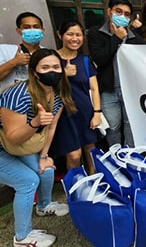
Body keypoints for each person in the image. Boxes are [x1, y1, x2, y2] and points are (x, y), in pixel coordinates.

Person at [0, 48, 76, 246]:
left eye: (55, 66)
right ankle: (22, 238)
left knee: (46, 169)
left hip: (21, 146)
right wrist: (34, 122)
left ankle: (43, 205)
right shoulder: (17, 96)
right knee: (28, 182)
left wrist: (44, 156)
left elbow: (51, 128)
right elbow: (13, 137)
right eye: (45, 67)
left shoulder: (57, 94)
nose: (51, 70)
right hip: (5, 147)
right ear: (34, 71)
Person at [88, 0, 144, 148]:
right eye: (118, 11)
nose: (122, 16)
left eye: (126, 14)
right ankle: (115, 157)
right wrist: (117, 39)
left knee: (130, 125)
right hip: (108, 91)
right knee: (112, 127)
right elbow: (100, 59)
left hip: (130, 91)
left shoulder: (135, 38)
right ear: (109, 11)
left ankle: (130, 156)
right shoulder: (96, 33)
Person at [51, 20, 101, 175]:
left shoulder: (85, 60)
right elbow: (42, 85)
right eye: (70, 34)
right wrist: (62, 75)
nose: (75, 38)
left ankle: (94, 184)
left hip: (85, 112)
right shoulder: (51, 59)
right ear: (60, 35)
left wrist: (97, 112)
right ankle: (76, 187)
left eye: (78, 35)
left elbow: (94, 88)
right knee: (73, 155)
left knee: (91, 150)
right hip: (63, 114)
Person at [0, 12, 45, 92]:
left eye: (36, 27)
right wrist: (14, 62)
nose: (32, 30)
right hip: (9, 102)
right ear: (19, 31)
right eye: (27, 27)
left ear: (42, 30)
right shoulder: (4, 50)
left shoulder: (47, 53)